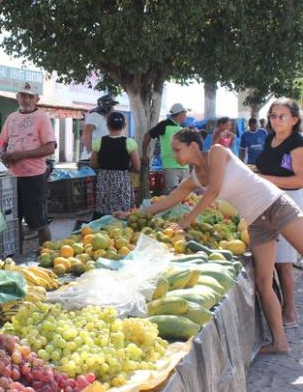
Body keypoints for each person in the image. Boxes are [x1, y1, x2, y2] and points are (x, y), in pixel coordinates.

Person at [117, 128, 303, 354]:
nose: (174, 155)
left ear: (193, 145)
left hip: (274, 205)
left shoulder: (217, 151)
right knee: (264, 284)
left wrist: (187, 220)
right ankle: (280, 343)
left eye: (177, 149)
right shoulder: (192, 179)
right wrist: (134, 214)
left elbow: (214, 190)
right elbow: (166, 202)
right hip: (256, 222)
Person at [255, 98, 303, 328]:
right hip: (267, 200)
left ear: (295, 119)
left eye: (282, 116)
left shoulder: (297, 142)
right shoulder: (269, 138)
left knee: (284, 260)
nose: (276, 120)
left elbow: (299, 179)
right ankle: (279, 309)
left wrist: (263, 179)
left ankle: (291, 313)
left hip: (288, 202)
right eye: (273, 115)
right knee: (272, 260)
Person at [1, 83, 56, 245]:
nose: (26, 99)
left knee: (39, 221)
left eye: (30, 96)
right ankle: (18, 258)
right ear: (17, 97)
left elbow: (50, 147)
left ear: (37, 99)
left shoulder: (42, 117)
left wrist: (22, 155)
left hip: (34, 177)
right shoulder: (11, 117)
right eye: (23, 95)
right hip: (12, 177)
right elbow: (4, 142)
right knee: (14, 220)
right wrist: (4, 154)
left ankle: (46, 254)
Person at [90, 112, 140, 216]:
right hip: (122, 181)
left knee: (104, 212)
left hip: (104, 180)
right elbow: (137, 167)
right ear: (124, 126)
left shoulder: (98, 142)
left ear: (107, 126)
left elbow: (93, 164)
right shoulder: (129, 143)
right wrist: (128, 168)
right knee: (123, 213)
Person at [142, 103, 189, 194]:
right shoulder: (164, 125)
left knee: (185, 197)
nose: (186, 115)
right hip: (170, 166)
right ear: (180, 113)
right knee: (172, 195)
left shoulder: (182, 128)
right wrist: (144, 154)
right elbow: (147, 135)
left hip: (184, 166)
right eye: (185, 112)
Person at [80, 94, 119, 161]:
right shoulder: (95, 116)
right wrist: (90, 153)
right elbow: (87, 132)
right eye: (112, 107)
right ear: (107, 108)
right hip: (92, 158)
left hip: (102, 157)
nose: (113, 109)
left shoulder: (107, 119)